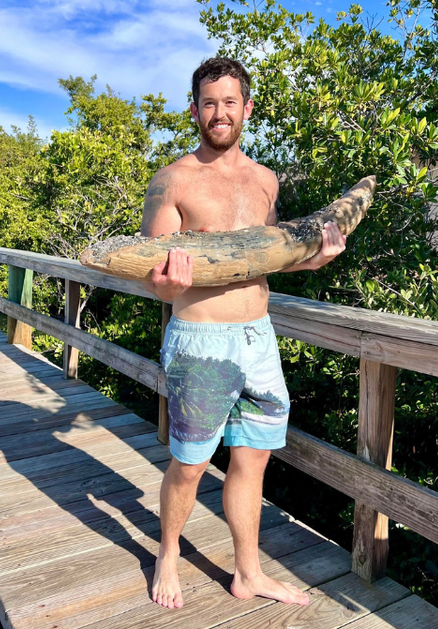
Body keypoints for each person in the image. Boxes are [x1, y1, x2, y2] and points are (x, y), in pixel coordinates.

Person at [143, 56, 347, 609]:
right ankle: (168, 553)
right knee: (189, 465)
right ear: (194, 109)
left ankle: (248, 572)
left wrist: (318, 259)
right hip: (200, 342)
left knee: (252, 459)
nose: (219, 112)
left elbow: (268, 260)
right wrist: (166, 283)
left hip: (259, 339)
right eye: (209, 103)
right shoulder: (172, 181)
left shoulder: (265, 180)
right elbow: (154, 278)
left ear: (247, 107)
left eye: (230, 102)